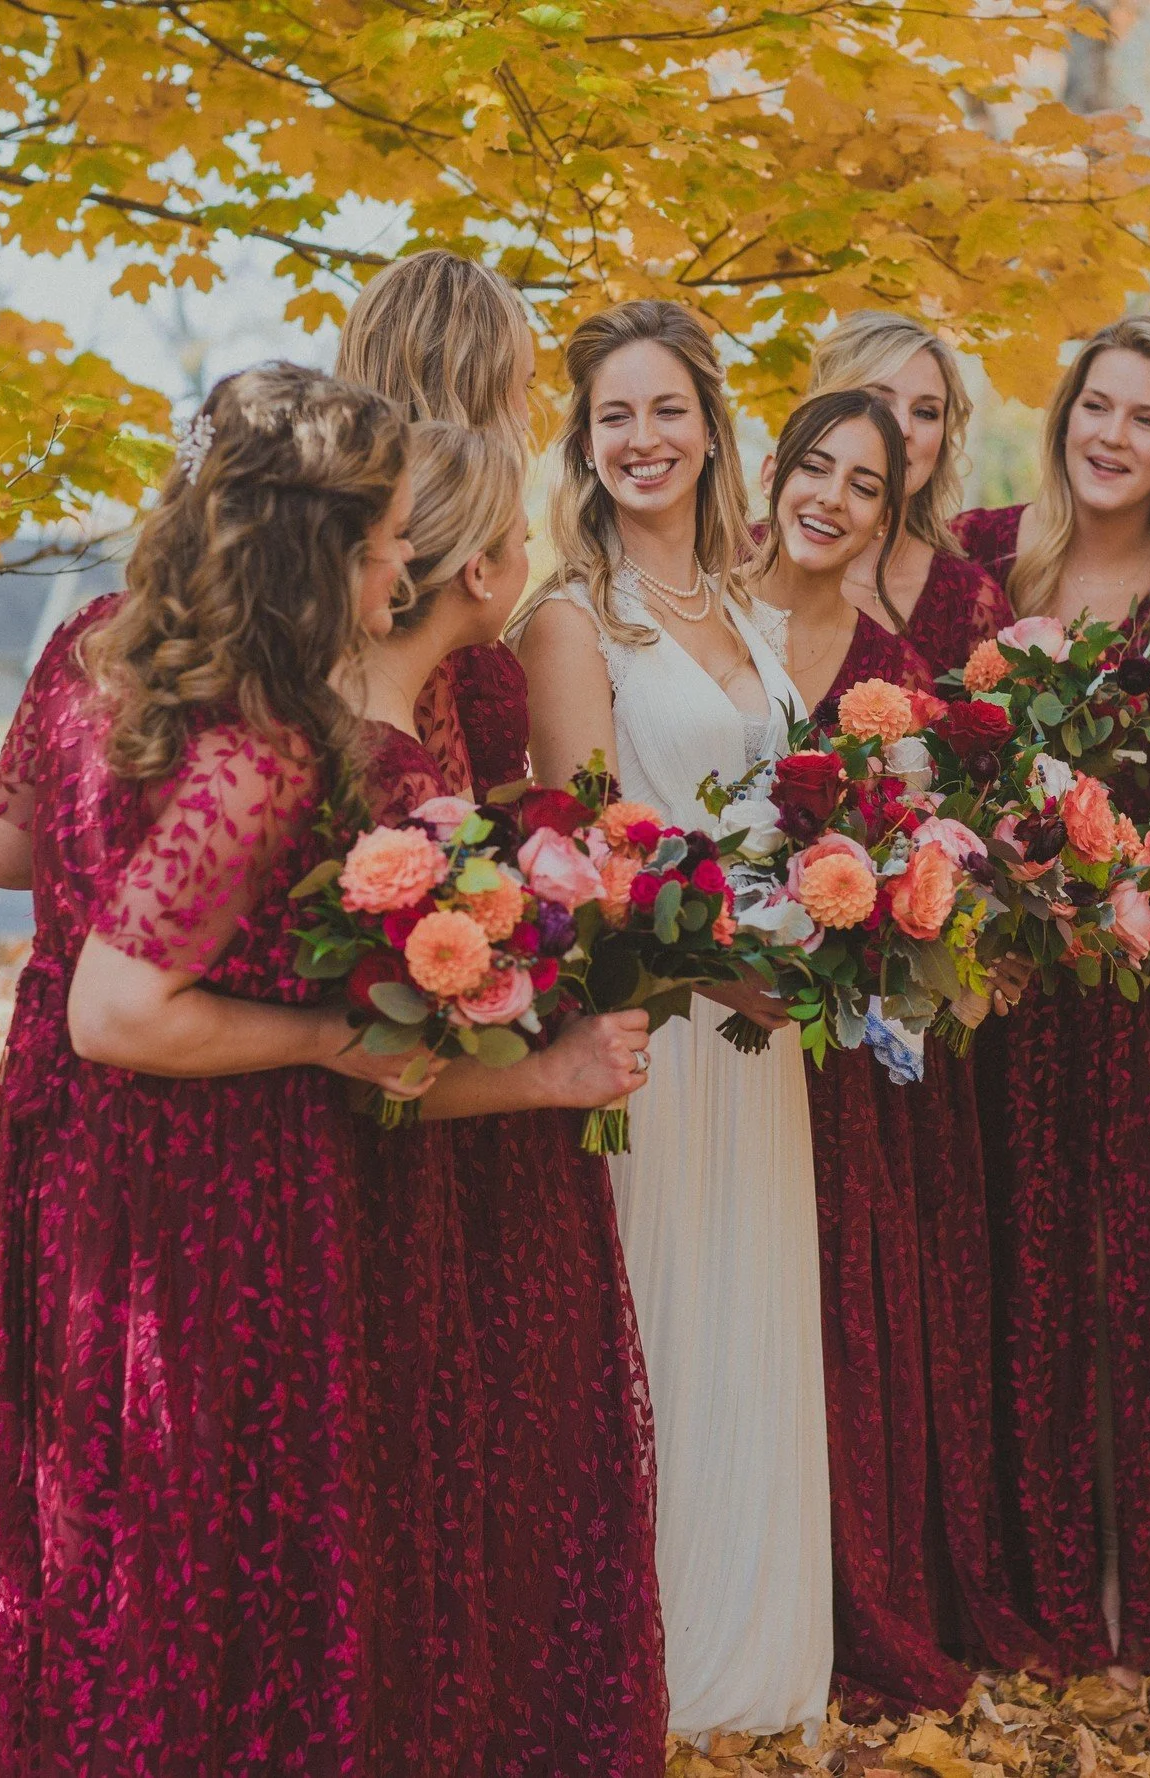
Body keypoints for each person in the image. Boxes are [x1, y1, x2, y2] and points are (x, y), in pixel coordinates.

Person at [0, 365, 452, 1773]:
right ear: (317, 550)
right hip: (205, 1167)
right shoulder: (260, 745)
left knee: (94, 1490)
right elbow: (123, 1011)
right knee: (201, 1513)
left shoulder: (91, 645)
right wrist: (325, 1033)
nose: (403, 568)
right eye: (387, 543)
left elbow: (1, 852)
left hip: (64, 1136)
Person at [512, 300, 832, 1744]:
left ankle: (754, 1653)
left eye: (663, 410)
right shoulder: (571, 619)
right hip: (658, 1023)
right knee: (660, 1317)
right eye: (611, 417)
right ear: (582, 446)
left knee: (748, 1312)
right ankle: (653, 1661)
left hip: (765, 1035)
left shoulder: (750, 612)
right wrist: (713, 968)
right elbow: (592, 857)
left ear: (710, 426)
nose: (640, 439)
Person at [954, 317, 1150, 1667]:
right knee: (1014, 1269)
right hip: (1007, 988)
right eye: (1096, 406)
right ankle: (1030, 1583)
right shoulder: (986, 562)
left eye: (1144, 418)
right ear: (1063, 412)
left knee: (1136, 1276)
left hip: (1142, 999)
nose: (1112, 436)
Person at [367, 420, 668, 1774]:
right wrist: (549, 1068)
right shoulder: (388, 773)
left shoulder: (411, 749)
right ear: (480, 571)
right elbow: (366, 1068)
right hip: (397, 1168)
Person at [748, 388, 1050, 1711]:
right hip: (712, 1023)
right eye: (813, 468)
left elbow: (940, 871)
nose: (830, 497)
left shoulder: (892, 676)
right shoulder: (705, 622)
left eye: (862, 484)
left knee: (844, 1306)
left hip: (845, 1049)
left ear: (888, 514)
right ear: (772, 474)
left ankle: (847, 1587)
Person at [336, 248, 535, 793]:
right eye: (523, 386)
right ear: (477, 388)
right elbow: (429, 815)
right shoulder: (406, 600)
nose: (525, 416)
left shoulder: (342, 543)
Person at [805, 310, 1010, 676]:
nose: (902, 428)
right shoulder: (737, 557)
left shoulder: (968, 603)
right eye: (878, 401)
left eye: (926, 413)